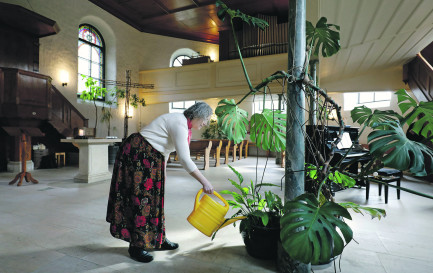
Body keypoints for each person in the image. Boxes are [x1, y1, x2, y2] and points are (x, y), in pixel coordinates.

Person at [106, 102, 214, 263]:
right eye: (205, 119)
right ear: (196, 115)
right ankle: (137, 246)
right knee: (142, 200)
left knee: (155, 200)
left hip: (151, 155)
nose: (205, 123)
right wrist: (204, 182)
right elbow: (184, 159)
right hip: (139, 152)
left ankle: (158, 239)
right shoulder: (180, 123)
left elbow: (165, 149)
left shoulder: (183, 124)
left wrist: (162, 173)